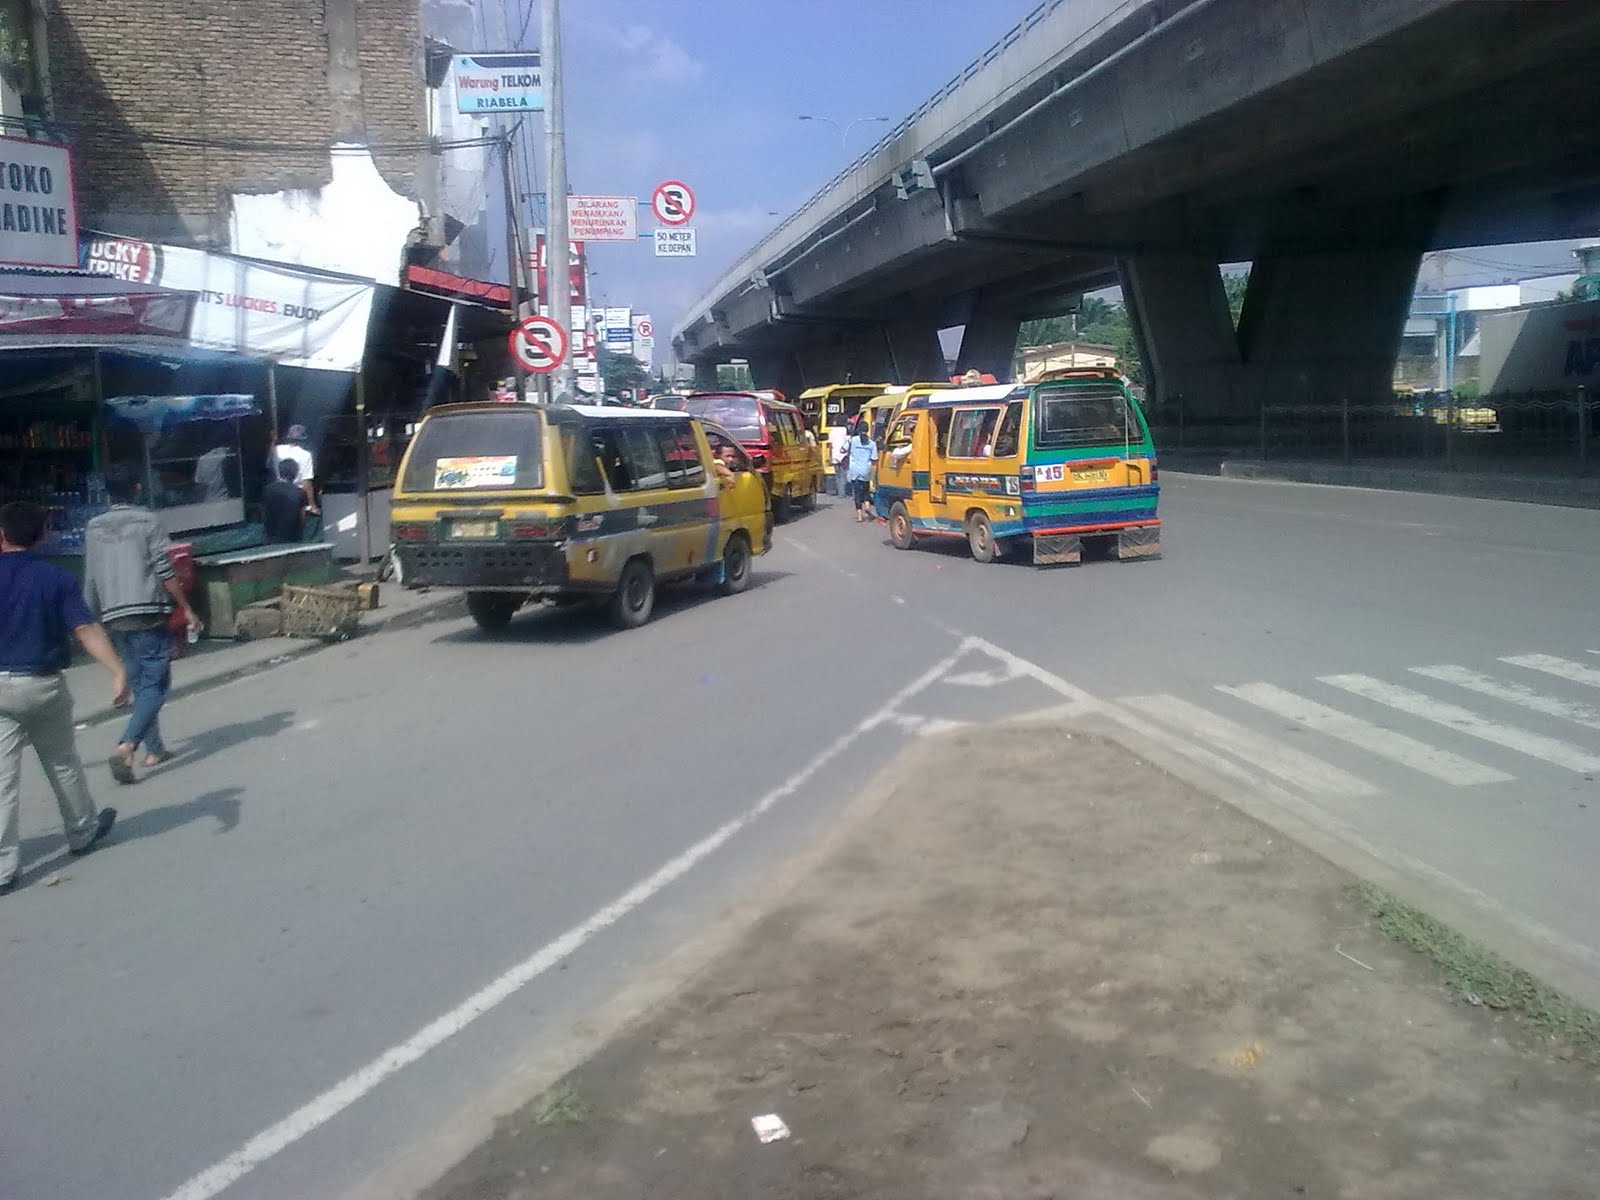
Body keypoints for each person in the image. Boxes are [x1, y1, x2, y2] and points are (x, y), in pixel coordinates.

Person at [0, 501, 127, 894]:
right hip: (42, 685)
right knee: (63, 763)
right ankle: (82, 831)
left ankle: (3, 869)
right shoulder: (56, 579)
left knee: (2, 780)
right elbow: (85, 630)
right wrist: (118, 671)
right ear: (42, 535)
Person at [84, 467, 203, 784]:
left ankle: (155, 750)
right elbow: (166, 570)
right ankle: (127, 745)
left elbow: (91, 576)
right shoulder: (149, 521)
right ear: (137, 489)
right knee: (155, 687)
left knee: (140, 685)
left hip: (113, 615)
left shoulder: (93, 527)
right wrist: (187, 608)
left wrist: (90, 620)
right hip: (148, 612)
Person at [272, 424, 318, 533]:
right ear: (304, 439)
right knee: (297, 526)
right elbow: (306, 482)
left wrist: (272, 440)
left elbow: (269, 464)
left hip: (277, 491)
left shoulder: (277, 450)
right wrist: (312, 505)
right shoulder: (305, 455)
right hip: (295, 494)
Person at [261, 458, 308, 543]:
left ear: (279, 472)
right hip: (293, 537)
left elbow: (264, 513)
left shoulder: (268, 490)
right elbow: (302, 518)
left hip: (272, 536)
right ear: (296, 473)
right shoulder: (300, 492)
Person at [846, 426, 879, 524]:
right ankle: (868, 507)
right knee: (866, 490)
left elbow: (843, 450)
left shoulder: (853, 440)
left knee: (857, 494)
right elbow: (874, 458)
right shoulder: (872, 443)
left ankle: (860, 516)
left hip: (854, 470)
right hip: (866, 470)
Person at [828, 422, 850, 498]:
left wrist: (830, 457)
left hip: (835, 455)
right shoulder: (845, 429)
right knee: (843, 475)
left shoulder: (832, 430)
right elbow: (848, 442)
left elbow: (830, 445)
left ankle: (840, 492)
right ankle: (842, 492)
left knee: (837, 475)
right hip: (844, 455)